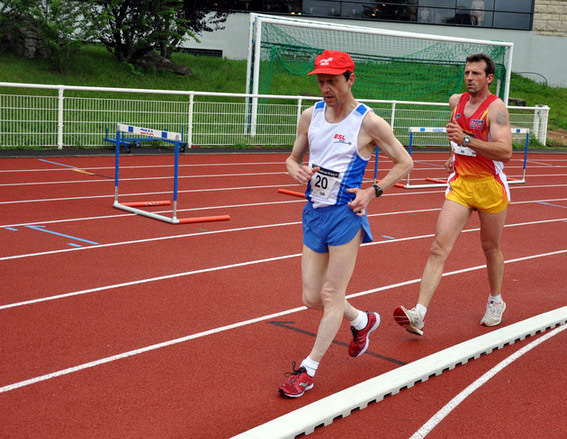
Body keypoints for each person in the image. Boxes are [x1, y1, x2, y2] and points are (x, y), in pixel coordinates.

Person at [278, 50, 413, 398]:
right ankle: (361, 321)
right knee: (311, 297)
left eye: (333, 81)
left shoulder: (369, 122)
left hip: (345, 216)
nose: (326, 88)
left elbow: (405, 161)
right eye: (321, 81)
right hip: (313, 212)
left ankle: (307, 370)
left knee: (330, 294)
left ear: (350, 79)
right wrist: (298, 171)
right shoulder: (311, 116)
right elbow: (291, 160)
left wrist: (372, 191)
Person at [394, 53, 513, 336]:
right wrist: (453, 153)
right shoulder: (455, 101)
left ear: (489, 78)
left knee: (490, 248)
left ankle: (496, 300)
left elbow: (505, 151)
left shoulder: (496, 109)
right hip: (461, 184)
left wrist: (467, 140)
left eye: (476, 74)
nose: (470, 78)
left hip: (489, 186)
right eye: (467, 73)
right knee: (438, 247)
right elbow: (455, 132)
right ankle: (419, 313)